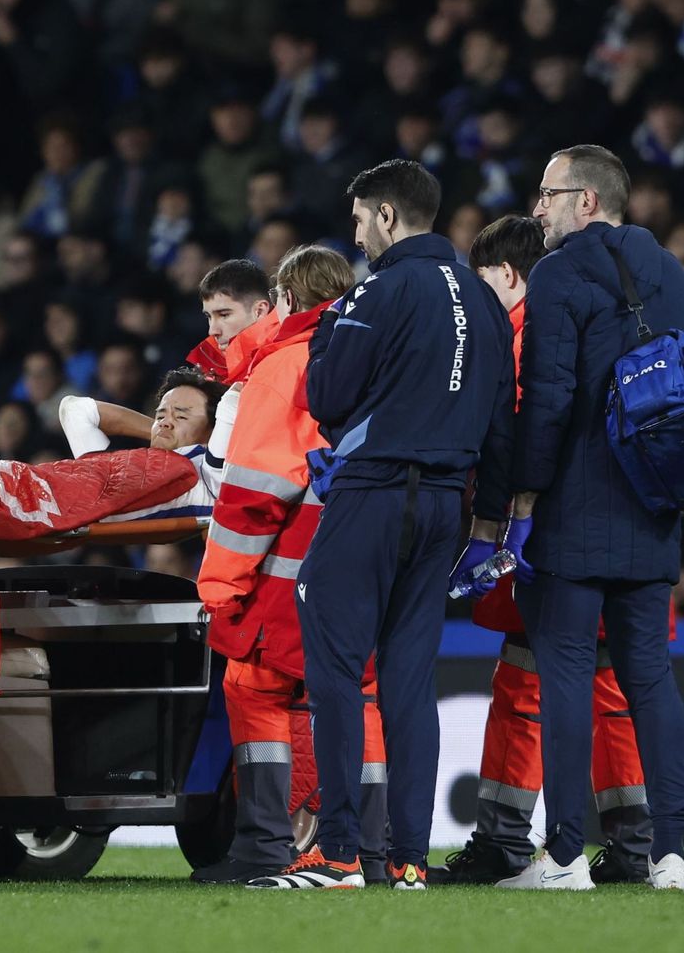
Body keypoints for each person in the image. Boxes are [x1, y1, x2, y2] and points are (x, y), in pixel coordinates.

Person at [252, 159, 514, 891]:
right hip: (445, 509)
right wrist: (488, 526)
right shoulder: (483, 298)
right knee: (407, 682)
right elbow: (504, 423)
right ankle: (407, 860)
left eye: (363, 218)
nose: (359, 233)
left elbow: (329, 395)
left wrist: (331, 329)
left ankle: (336, 853)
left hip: (374, 493)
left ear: (389, 217)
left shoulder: (380, 289)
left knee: (334, 671)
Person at [495, 144, 684, 891]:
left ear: (587, 201)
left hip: (579, 501)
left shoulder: (558, 273)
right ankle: (667, 855)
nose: (536, 208)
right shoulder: (669, 269)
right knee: (650, 677)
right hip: (654, 498)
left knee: (570, 677)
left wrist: (524, 495)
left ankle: (565, 857)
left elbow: (547, 398)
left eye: (547, 194)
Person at [435, 214, 653, 886]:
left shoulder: (527, 334)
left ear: (507, 275)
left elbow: (522, 439)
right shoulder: (609, 316)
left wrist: (496, 523)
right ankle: (633, 847)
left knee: (526, 686)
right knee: (611, 689)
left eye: (480, 284)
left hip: (551, 545)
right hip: (622, 539)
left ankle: (507, 842)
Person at [193, 245, 391, 886]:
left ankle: (262, 847)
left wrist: (221, 583)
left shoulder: (283, 366)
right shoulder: (383, 354)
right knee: (358, 695)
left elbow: (252, 493)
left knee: (253, 686)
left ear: (279, 302)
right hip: (371, 555)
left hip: (292, 562)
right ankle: (371, 850)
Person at [59, 366, 230, 523]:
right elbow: (75, 410)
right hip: (62, 487)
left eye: (181, 417)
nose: (164, 422)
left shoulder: (207, 477)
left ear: (215, 432)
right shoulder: (125, 463)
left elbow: (232, 405)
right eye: (161, 415)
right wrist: (161, 432)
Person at [186, 258, 272, 382]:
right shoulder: (208, 366)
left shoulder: (286, 362)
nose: (212, 331)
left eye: (224, 315)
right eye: (209, 317)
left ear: (259, 311)